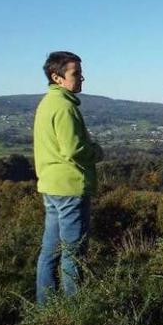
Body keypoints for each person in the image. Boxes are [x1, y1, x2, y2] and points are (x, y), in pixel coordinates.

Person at [33, 51, 102, 305]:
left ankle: (46, 309)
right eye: (75, 73)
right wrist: (97, 151)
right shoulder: (64, 107)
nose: (81, 78)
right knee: (74, 254)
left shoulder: (47, 103)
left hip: (51, 187)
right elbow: (74, 150)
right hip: (70, 188)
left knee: (49, 253)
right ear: (57, 77)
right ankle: (75, 313)